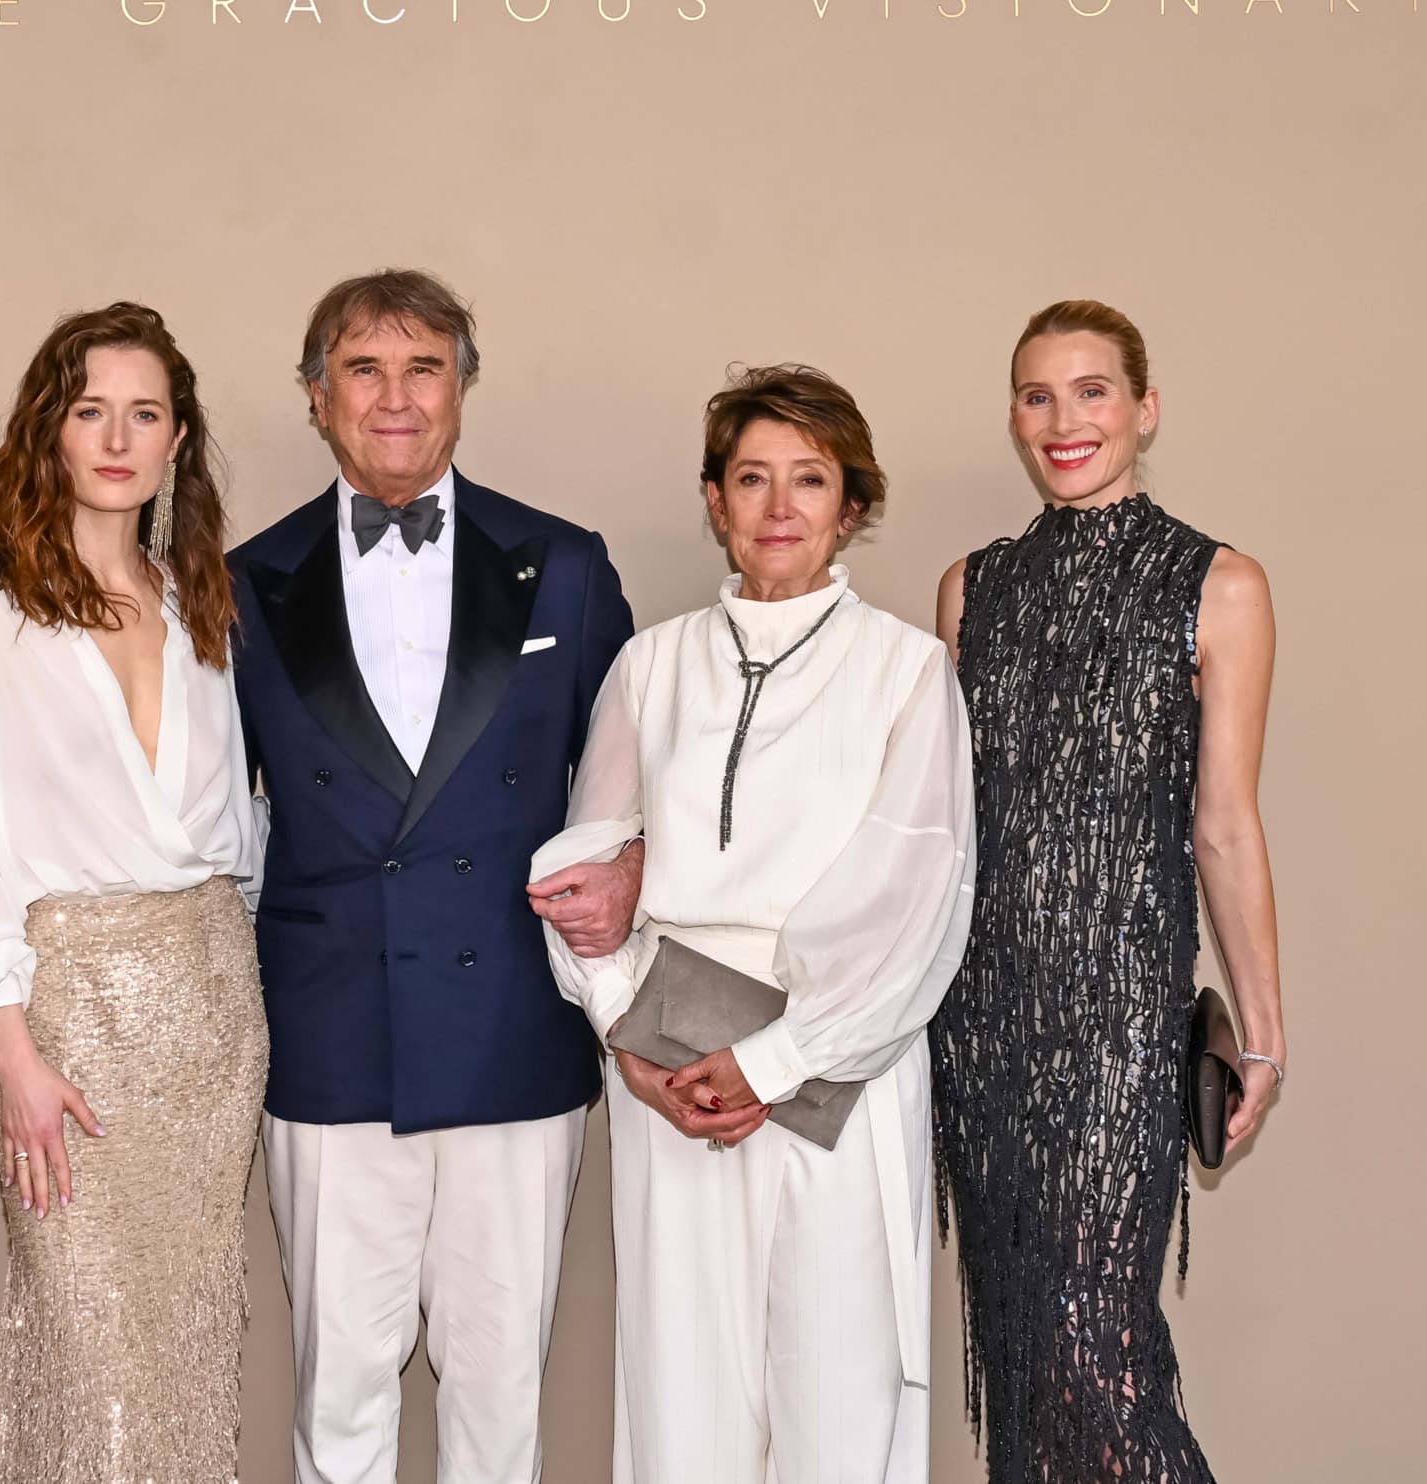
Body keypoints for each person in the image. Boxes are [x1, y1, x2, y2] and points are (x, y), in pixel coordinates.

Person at [227, 268, 638, 1484]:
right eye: (364, 368)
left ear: (463, 387)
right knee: (340, 1386)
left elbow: (632, 783)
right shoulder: (240, 583)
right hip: (328, 1028)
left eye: (424, 367)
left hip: (511, 1022)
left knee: (500, 1390)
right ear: (317, 396)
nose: (395, 397)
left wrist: (632, 865)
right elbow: (209, 815)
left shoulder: (564, 563)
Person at [532, 364, 976, 1484]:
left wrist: (776, 1061)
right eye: (752, 478)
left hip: (837, 1075)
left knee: (838, 1399)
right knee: (682, 1397)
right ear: (715, 499)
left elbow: (918, 902)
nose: (780, 507)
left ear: (852, 505)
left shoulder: (907, 670)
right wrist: (624, 1034)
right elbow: (586, 869)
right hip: (672, 1075)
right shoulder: (652, 663)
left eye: (810, 479)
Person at [0, 302, 269, 1482]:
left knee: (186, 1352)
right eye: (90, 408)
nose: (117, 437)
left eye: (144, 413)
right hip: (69, 1021)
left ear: (177, 440)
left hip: (214, 1018)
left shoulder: (201, 602)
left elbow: (242, 830)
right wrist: (12, 1050)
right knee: (90, 1349)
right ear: (48, 428)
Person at [928, 300, 1286, 1482]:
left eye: (1091, 391)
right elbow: (946, 830)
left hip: (1121, 1020)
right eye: (1038, 395)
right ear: (1015, 417)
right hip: (981, 1024)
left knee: (1097, 1348)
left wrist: (1263, 1030)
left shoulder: (1220, 584)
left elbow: (1223, 822)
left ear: (1145, 407)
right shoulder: (970, 589)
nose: (1064, 419)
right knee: (1027, 1359)